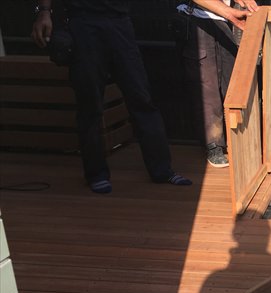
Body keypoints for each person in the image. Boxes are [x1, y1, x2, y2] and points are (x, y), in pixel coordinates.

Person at [31, 0, 192, 193]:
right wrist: (44, 12)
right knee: (89, 104)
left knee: (142, 98)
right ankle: (96, 174)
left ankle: (163, 171)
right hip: (83, 23)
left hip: (119, 21)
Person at [176, 0, 271, 168]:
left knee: (235, 83)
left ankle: (242, 143)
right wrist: (229, 11)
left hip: (227, 20)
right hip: (198, 18)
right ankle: (214, 145)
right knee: (208, 88)